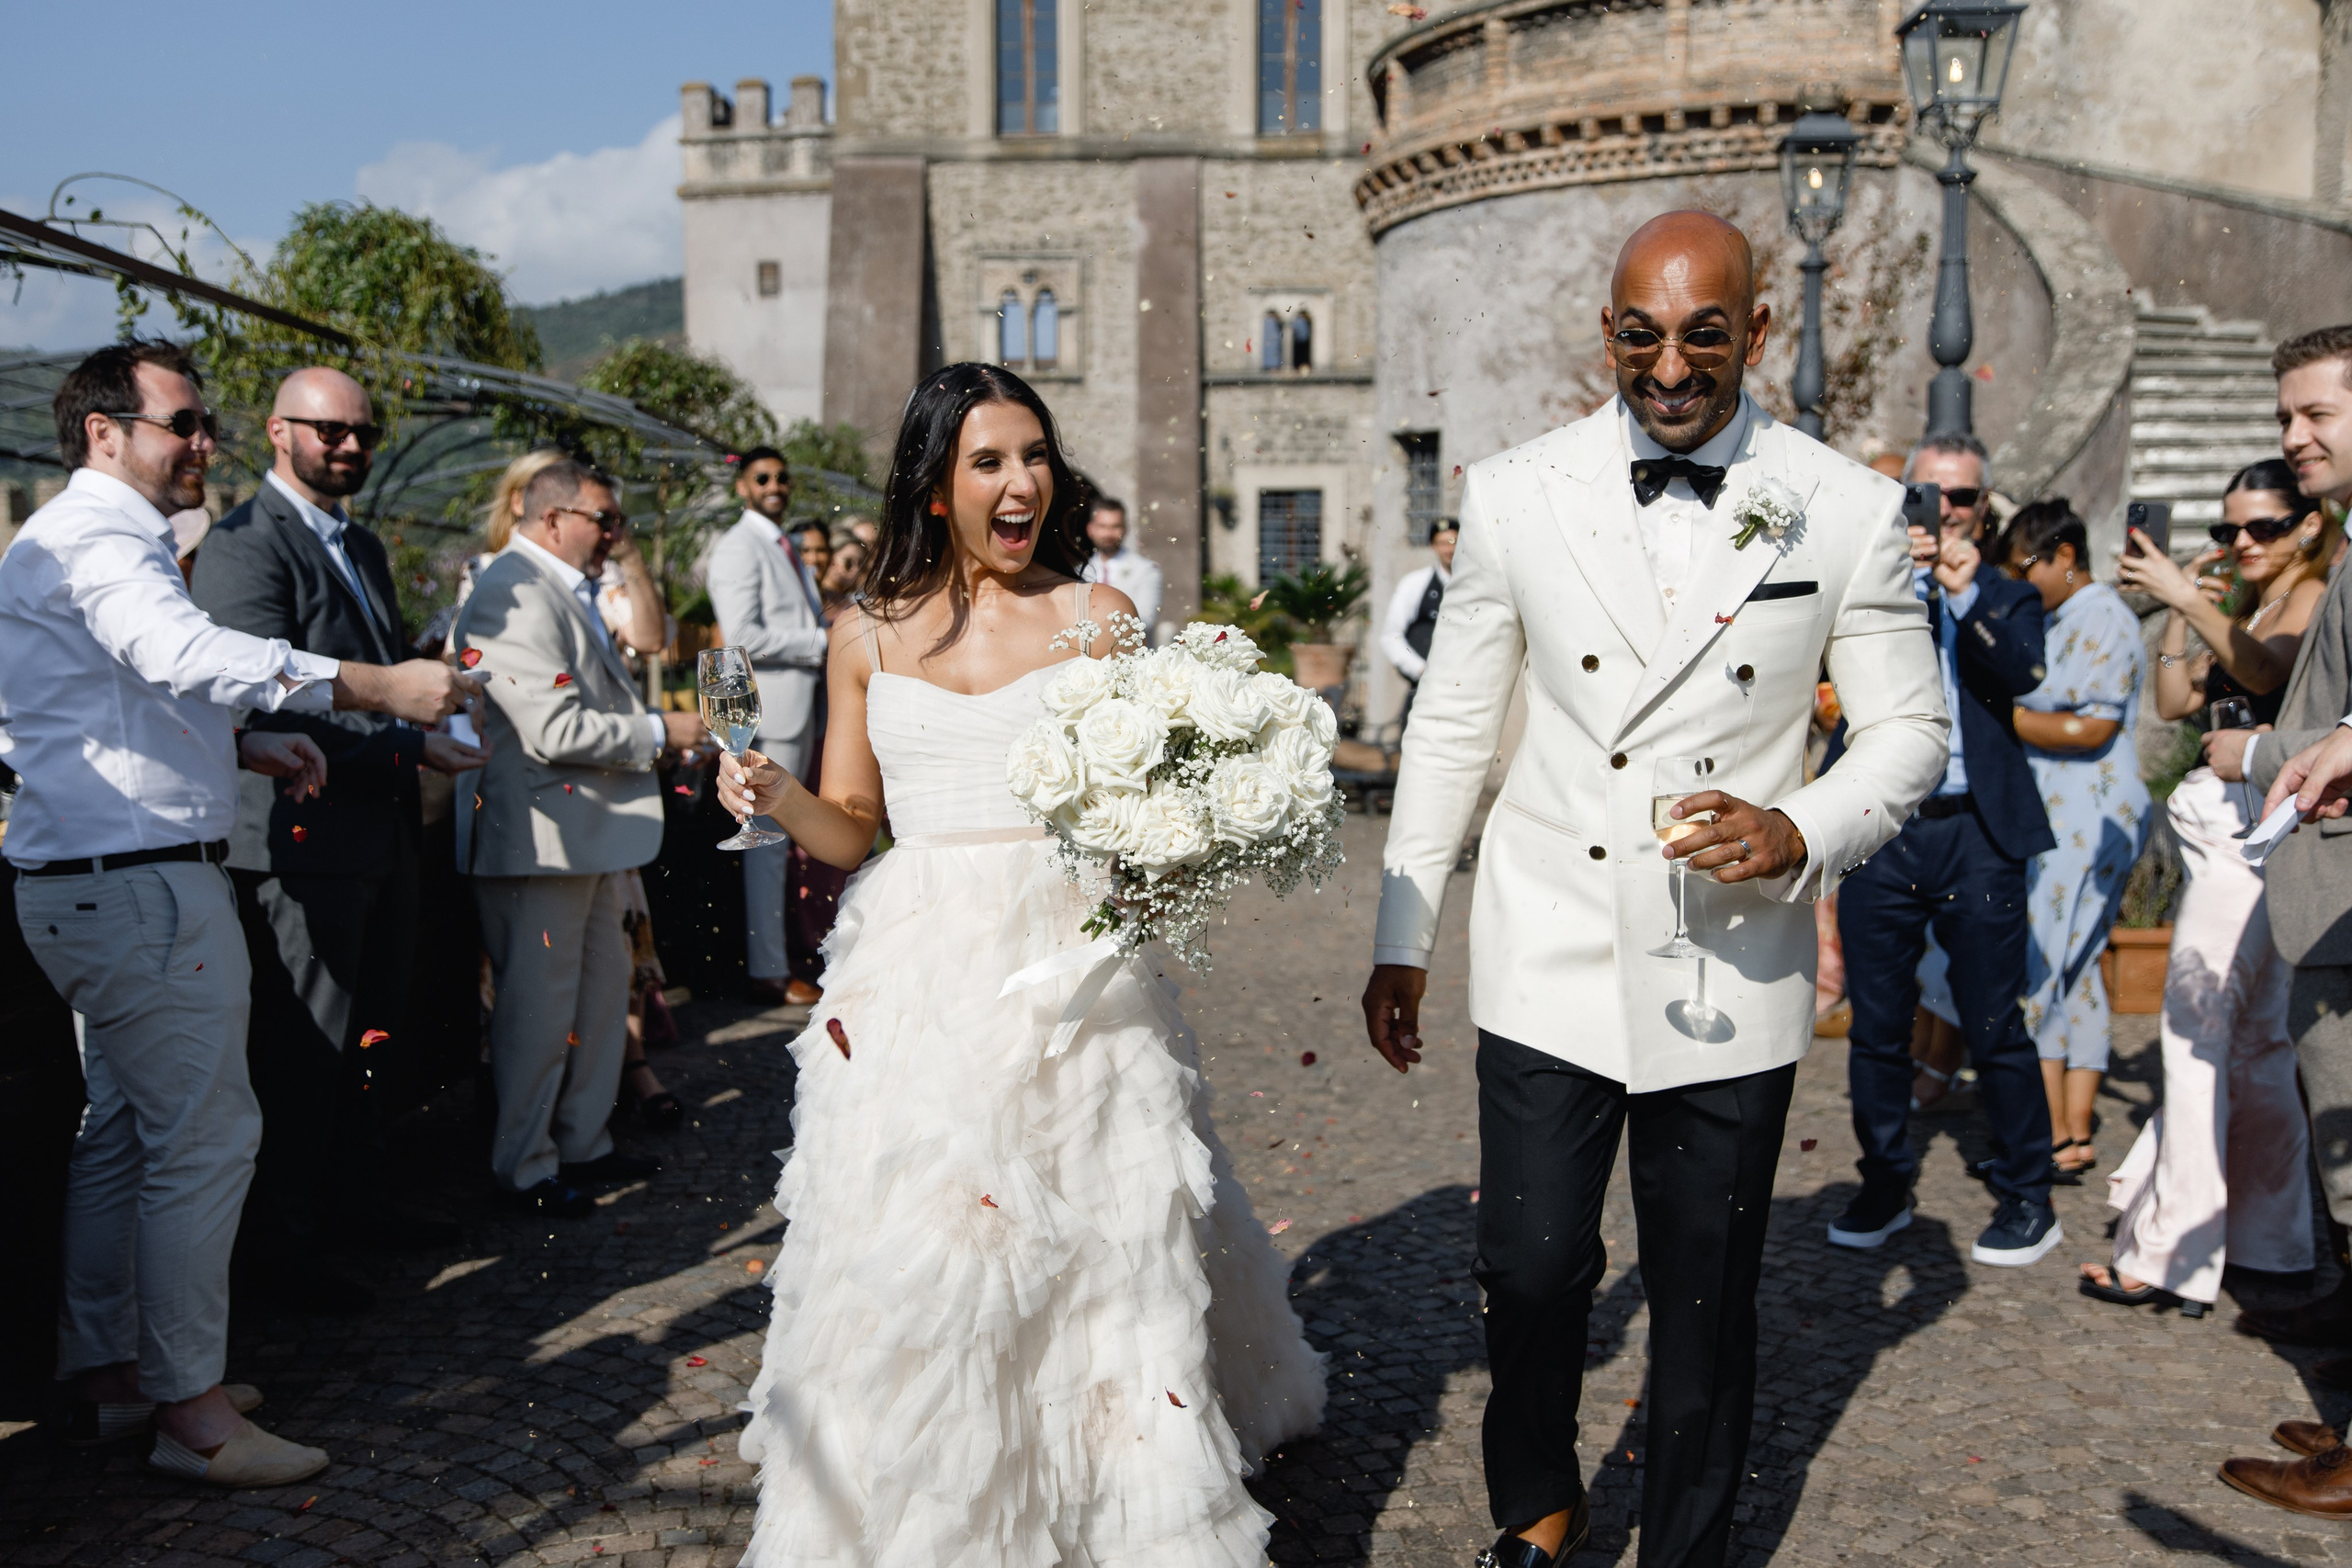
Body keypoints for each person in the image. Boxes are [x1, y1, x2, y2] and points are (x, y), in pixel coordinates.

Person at [1358, 213, 1947, 1568]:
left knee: (1702, 1298)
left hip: (1727, 962)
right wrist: (1406, 935)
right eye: (1642, 332)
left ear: (1756, 330)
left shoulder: (1845, 505)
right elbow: (1453, 722)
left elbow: (1912, 729)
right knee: (1530, 1264)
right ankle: (1539, 1500)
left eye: (1702, 333)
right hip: (1549, 936)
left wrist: (1800, 824)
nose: (1670, 364)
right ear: (1608, 332)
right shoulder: (1516, 491)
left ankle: (1684, 1545)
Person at [717, 363, 1324, 1564]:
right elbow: (853, 823)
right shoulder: (864, 633)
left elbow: (1147, 808)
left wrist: (1166, 861)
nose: (1021, 483)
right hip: (921, 963)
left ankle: (1113, 1484)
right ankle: (931, 1490)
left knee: (1103, 1218)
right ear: (936, 486)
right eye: (989, 461)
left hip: (1072, 957)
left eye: (1034, 455)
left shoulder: (1098, 617)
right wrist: (779, 793)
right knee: (936, 1234)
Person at [1, 341, 477, 1485]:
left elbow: (105, 698)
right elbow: (176, 648)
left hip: (94, 880)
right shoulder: (102, 534)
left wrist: (240, 744)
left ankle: (118, 1375)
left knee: (122, 1135)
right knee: (205, 1141)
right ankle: (192, 1413)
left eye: (207, 421)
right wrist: (370, 686)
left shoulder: (62, 540)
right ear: (106, 431)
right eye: (184, 422)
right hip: (141, 885)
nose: (203, 441)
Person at [188, 368, 489, 1314]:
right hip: (300, 843)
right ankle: (285, 1252)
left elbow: (379, 674)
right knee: (302, 1053)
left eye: (364, 430)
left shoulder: (358, 540)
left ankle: (358, 1207)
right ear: (277, 431)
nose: (351, 445)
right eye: (331, 430)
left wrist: (424, 715)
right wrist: (411, 738)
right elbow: (262, 693)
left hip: (379, 833)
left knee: (370, 1037)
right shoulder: (244, 545)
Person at [2073, 461, 2327, 1325]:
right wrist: (2189, 607)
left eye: (2259, 529)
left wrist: (2189, 594)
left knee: (2191, 1031)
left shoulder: (2314, 597)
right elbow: (2177, 696)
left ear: (2308, 529)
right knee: (2256, 1042)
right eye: (2226, 531)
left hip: (2251, 835)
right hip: (2231, 831)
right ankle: (2274, 1242)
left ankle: (2169, 1249)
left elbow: (2262, 674)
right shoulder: (2243, 597)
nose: (2240, 545)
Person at [455, 458, 706, 1216]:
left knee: (600, 999)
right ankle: (525, 1167)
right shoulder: (511, 591)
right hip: (539, 840)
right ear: (554, 517)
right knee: (537, 1014)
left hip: (587, 835)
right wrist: (661, 729)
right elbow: (553, 727)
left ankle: (584, 1140)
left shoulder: (565, 587)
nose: (613, 534)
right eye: (604, 519)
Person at [1831, 433, 2059, 1264]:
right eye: (1929, 495)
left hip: (1976, 831)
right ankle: (1884, 1180)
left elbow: (2026, 673)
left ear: (1984, 507)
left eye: (1963, 497)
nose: (1948, 512)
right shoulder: (1869, 586)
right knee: (1877, 1026)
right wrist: (1905, 581)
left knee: (1997, 1020)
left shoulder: (2004, 592)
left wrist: (1965, 601)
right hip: (1882, 825)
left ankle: (2029, 1192)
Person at [1996, 498, 2153, 1178]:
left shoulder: (2102, 618)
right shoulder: (2067, 616)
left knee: (2042, 969)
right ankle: (2074, 1131)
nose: (2016, 581)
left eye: (2023, 566)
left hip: (2083, 816)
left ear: (2065, 555)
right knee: (2077, 970)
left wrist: (1999, 719)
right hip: (2076, 814)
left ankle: (2050, 1137)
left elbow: (2093, 727)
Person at [707, 446, 828, 1007]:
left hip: (798, 707)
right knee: (766, 844)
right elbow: (742, 636)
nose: (775, 485)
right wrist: (820, 643)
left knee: (782, 844)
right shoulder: (739, 547)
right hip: (768, 715)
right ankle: (768, 971)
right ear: (742, 487)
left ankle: (782, 959)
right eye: (762, 478)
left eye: (782, 476)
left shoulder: (782, 545)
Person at [1379, 519, 1457, 722]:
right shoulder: (1415, 583)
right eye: (1443, 543)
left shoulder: (1476, 585)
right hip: (1424, 691)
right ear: (1434, 546)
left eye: (1453, 542)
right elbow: (1391, 635)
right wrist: (1420, 669)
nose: (1449, 549)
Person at [1080, 491, 1164, 639]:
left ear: (1125, 529)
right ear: (1090, 529)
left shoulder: (1147, 570)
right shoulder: (1079, 571)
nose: (1108, 534)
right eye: (1102, 526)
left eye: (1115, 526)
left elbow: (1146, 620)